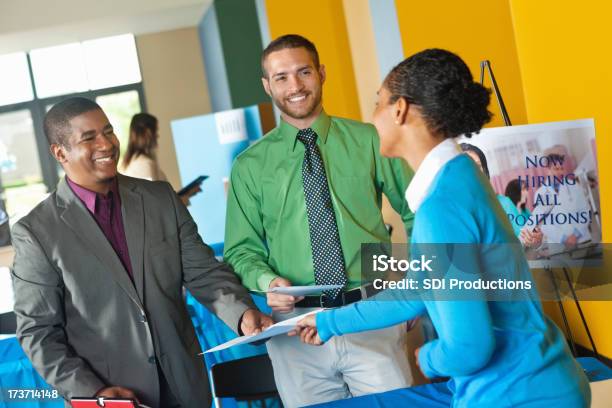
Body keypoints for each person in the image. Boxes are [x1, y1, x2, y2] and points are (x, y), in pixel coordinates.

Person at [296, 49, 590, 407]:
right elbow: (415, 291)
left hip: (519, 393)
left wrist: (429, 357)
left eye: (378, 104)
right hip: (543, 382)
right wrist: (330, 323)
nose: (372, 117)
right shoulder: (461, 178)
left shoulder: (441, 206)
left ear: (400, 109)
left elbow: (469, 347)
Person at [11, 97, 273, 408]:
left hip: (184, 386)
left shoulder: (159, 199)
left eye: (108, 131)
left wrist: (241, 313)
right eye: (89, 137)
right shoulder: (36, 233)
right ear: (60, 152)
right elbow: (38, 333)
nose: (107, 144)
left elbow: (203, 271)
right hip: (114, 396)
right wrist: (93, 392)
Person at [223, 34, 415, 407]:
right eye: (281, 77)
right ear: (267, 86)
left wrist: (413, 288)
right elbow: (241, 250)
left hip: (371, 313)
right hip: (296, 328)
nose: (294, 86)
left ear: (321, 73)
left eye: (304, 72)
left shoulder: (370, 139)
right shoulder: (249, 166)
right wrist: (266, 281)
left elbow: (417, 209)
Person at [461, 143, 543, 247]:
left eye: (478, 166)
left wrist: (534, 241)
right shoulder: (450, 211)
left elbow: (523, 240)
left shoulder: (504, 203)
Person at [121, 113, 201, 205]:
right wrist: (182, 199)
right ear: (148, 132)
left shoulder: (139, 162)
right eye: (156, 131)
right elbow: (153, 206)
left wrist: (186, 194)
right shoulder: (143, 165)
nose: (157, 136)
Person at [533, 151, 591, 249]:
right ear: (548, 170)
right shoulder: (540, 194)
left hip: (582, 240)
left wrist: (576, 235)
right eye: (556, 169)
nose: (560, 172)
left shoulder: (574, 186)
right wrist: (564, 238)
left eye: (562, 168)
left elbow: (585, 211)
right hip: (560, 246)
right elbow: (543, 223)